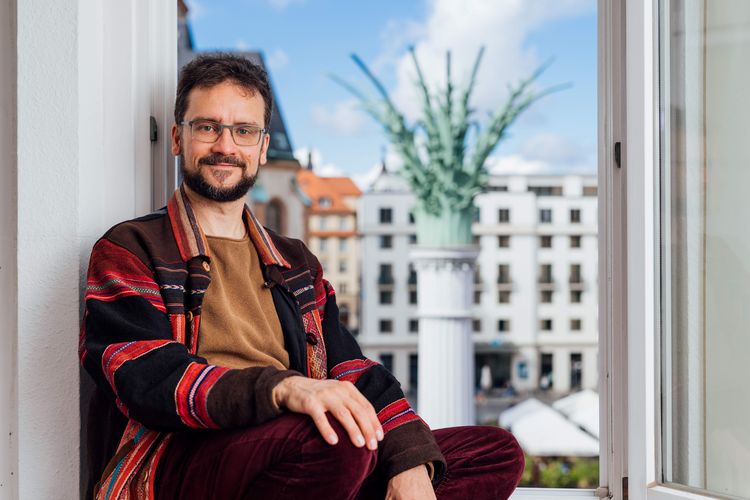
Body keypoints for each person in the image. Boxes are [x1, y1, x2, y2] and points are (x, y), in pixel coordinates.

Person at [80, 53, 525, 500]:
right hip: (186, 456)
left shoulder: (295, 263)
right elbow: (148, 377)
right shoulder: (131, 247)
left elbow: (351, 369)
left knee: (494, 452)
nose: (226, 146)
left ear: (262, 146)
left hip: (302, 457)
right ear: (178, 138)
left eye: (243, 131)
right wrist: (284, 389)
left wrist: (409, 459)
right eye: (207, 127)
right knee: (337, 441)